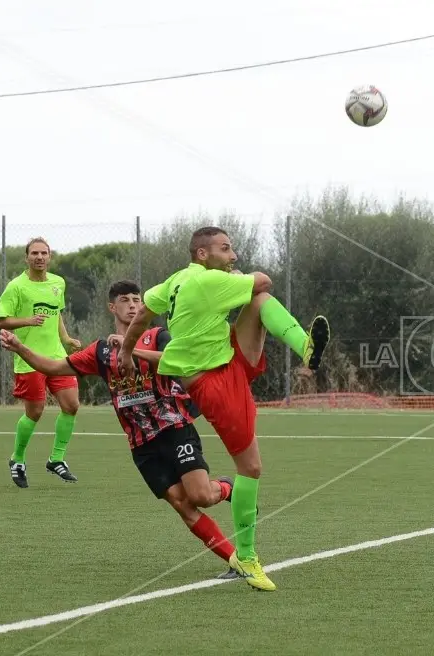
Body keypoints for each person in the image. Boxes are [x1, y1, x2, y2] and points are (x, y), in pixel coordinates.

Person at [120, 226, 330, 592]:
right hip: (213, 383)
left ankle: (307, 348)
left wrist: (125, 350)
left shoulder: (175, 282)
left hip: (226, 359)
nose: (233, 256)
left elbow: (142, 316)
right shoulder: (208, 283)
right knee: (250, 467)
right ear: (202, 254)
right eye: (225, 249)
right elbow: (263, 277)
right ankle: (246, 558)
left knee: (258, 301)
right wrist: (237, 276)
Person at [0, 280, 239, 576]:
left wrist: (131, 350)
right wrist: (20, 346)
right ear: (112, 307)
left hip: (175, 428)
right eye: (125, 300)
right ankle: (236, 561)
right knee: (182, 505)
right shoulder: (100, 351)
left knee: (201, 496)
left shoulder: (156, 336)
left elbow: (179, 361)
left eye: (137, 299)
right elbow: (52, 367)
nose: (133, 305)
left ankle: (229, 487)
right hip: (141, 445)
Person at [0, 237, 82, 488]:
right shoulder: (16, 287)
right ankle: (18, 459)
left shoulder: (58, 283)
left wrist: (65, 338)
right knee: (35, 412)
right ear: (26, 257)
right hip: (28, 358)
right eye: (34, 253)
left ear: (50, 256)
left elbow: (57, 314)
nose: (39, 257)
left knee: (72, 404)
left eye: (44, 253)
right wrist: (27, 321)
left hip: (56, 356)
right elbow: (2, 321)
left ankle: (56, 459)